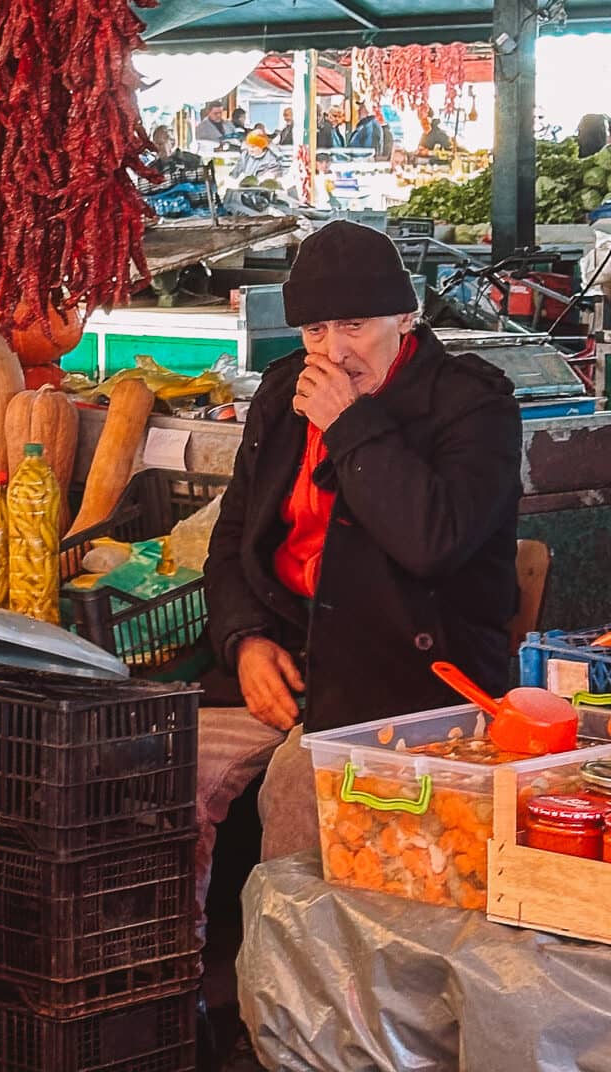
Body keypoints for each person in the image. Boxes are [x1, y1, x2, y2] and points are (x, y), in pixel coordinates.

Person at [194, 222, 521, 942]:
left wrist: (352, 426)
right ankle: (170, 992)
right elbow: (232, 538)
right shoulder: (283, 395)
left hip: (411, 680)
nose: (334, 352)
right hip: (294, 663)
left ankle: (301, 1011)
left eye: (355, 325)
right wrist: (244, 640)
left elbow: (433, 543)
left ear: (405, 320)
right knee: (147, 769)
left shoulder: (475, 407)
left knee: (298, 790)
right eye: (315, 329)